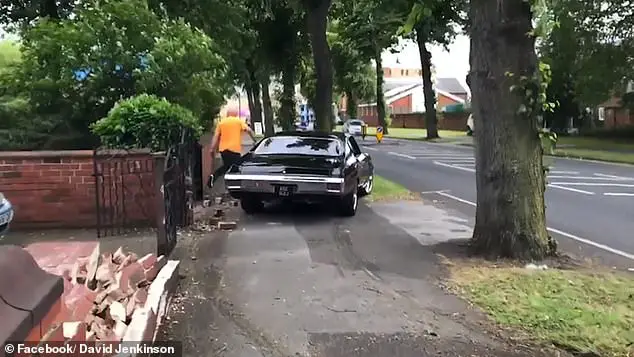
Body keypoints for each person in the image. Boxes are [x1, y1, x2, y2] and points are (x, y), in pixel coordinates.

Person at [207, 114, 256, 188]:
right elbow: (249, 130)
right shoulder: (238, 121)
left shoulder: (222, 122)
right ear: (235, 114)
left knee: (227, 166)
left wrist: (212, 148)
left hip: (223, 149)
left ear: (228, 114)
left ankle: (214, 176)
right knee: (236, 167)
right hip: (234, 149)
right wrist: (255, 140)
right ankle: (235, 186)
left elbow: (216, 136)